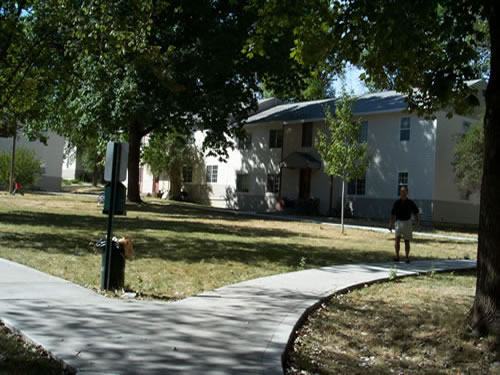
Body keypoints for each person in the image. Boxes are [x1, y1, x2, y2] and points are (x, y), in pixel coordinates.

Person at [388, 186, 419, 263]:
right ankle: (397, 256)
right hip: (398, 222)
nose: (403, 193)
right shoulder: (397, 203)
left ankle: (407, 257)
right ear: (400, 193)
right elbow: (393, 214)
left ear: (407, 192)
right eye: (401, 192)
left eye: (404, 192)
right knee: (397, 240)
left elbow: (415, 213)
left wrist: (417, 223)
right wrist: (390, 224)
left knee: (406, 241)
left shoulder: (410, 202)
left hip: (407, 222)